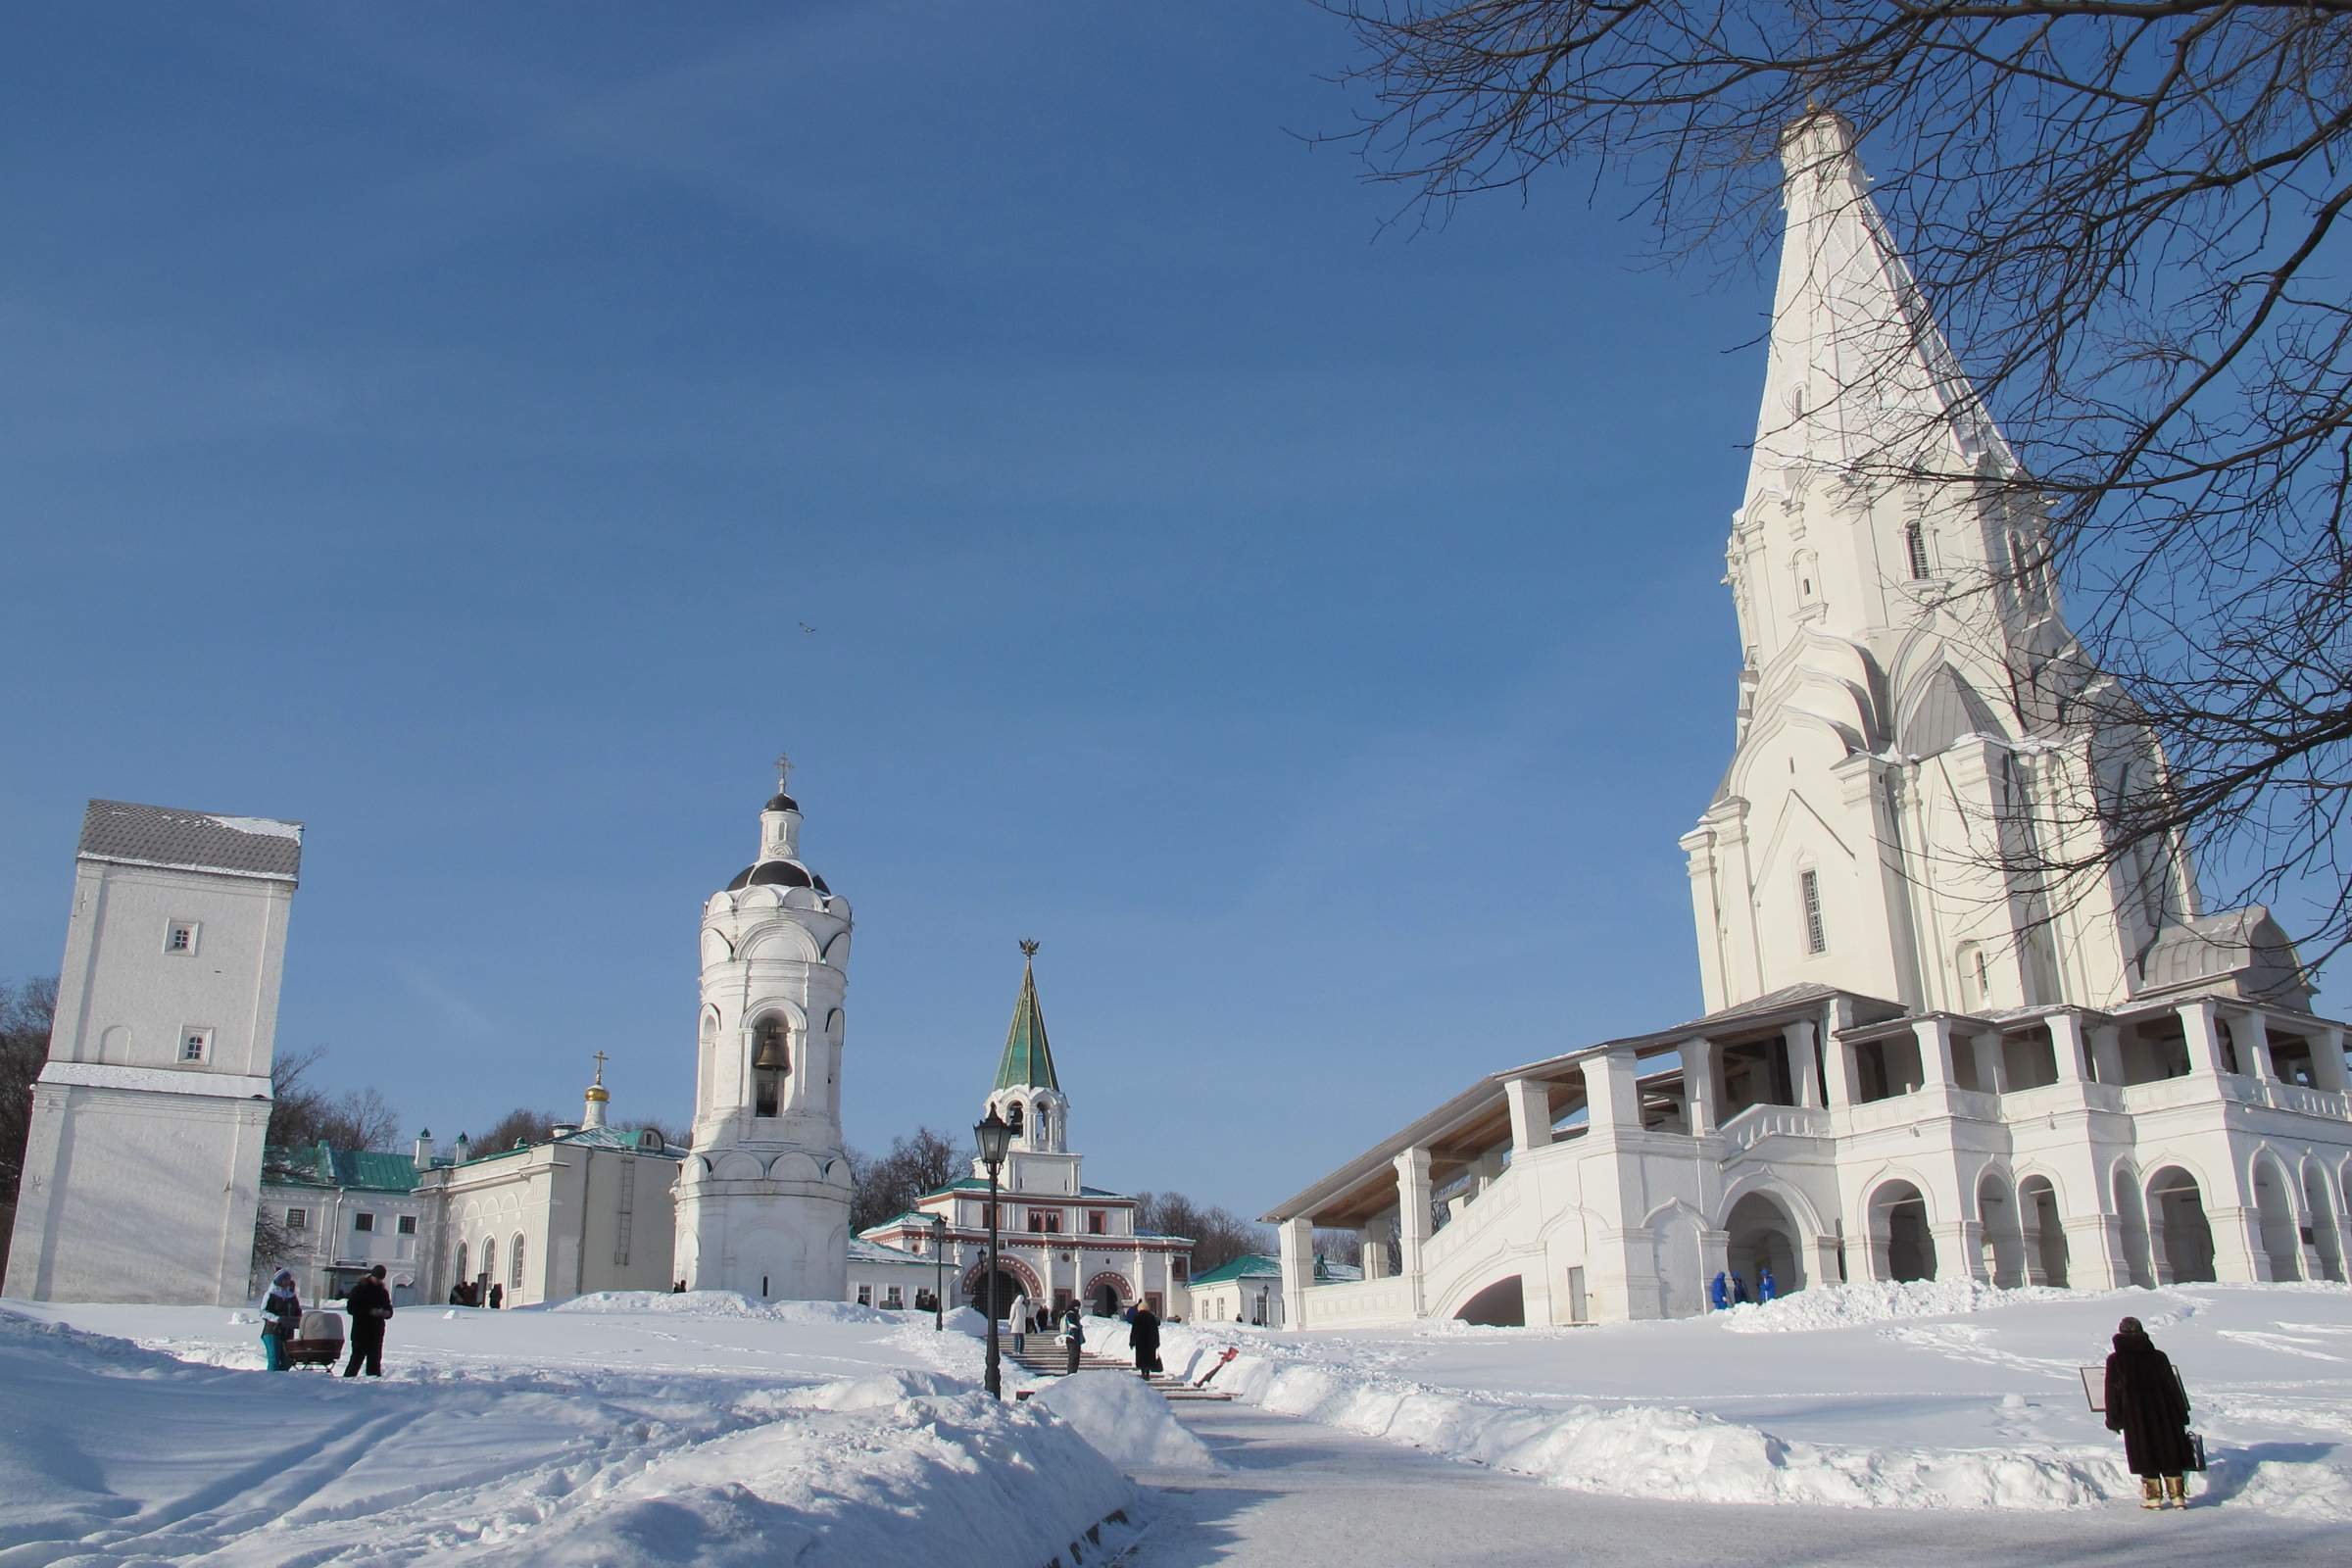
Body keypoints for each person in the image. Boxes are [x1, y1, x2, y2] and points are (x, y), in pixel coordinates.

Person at [2104, 1315, 2195, 1508]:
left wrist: (2114, 1419)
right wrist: (2181, 1413)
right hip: (2166, 1413)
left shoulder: (2116, 1360)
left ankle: (2153, 1498)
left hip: (2136, 1416)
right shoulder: (2158, 1357)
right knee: (2170, 1452)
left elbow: (2112, 1392)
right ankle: (2178, 1496)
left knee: (2145, 1454)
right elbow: (2173, 1387)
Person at [342, 1265, 394, 1378]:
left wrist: (387, 1313)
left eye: (380, 1279)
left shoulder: (383, 1292)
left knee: (375, 1362)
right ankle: (347, 1381)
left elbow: (389, 1308)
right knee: (356, 1360)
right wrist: (370, 1311)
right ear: (372, 1276)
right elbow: (351, 1308)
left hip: (376, 1332)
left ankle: (373, 1384)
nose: (378, 1280)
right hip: (361, 1330)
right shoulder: (360, 1289)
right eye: (377, 1278)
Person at [260, 1269, 302, 1371]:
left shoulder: (291, 1296)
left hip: (287, 1332)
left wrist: (298, 1319)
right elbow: (263, 1312)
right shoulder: (271, 1294)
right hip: (272, 1331)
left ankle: (283, 1381)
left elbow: (297, 1311)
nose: (287, 1281)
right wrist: (276, 1319)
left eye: (288, 1279)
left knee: (287, 1360)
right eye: (285, 1279)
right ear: (279, 1280)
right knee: (274, 1359)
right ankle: (271, 1381)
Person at [1129, 1300, 1161, 1380]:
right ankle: (1147, 1373)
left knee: (1142, 1358)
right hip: (1150, 1342)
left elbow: (1134, 1331)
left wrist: (1132, 1341)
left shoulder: (1137, 1317)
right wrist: (1157, 1342)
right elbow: (1155, 1331)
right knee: (1149, 1358)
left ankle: (1143, 1372)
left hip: (1140, 1342)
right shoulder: (1152, 1317)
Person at [1060, 1303, 1085, 1374]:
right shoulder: (1071, 1314)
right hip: (1073, 1338)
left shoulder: (1071, 1314)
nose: (1079, 1308)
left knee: (1073, 1357)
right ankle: (1071, 1373)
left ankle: (1072, 1372)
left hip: (1071, 1338)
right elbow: (1073, 1326)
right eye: (1078, 1306)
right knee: (1074, 1357)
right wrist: (1076, 1335)